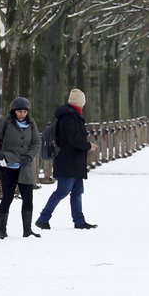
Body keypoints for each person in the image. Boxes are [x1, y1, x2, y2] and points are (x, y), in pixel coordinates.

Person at [35, 88, 98, 230]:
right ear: (80, 102)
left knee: (77, 191)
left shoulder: (71, 116)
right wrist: (88, 145)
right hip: (68, 161)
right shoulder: (70, 118)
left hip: (73, 161)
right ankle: (43, 218)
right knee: (63, 191)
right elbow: (74, 139)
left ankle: (79, 221)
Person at [0, 96, 42, 239]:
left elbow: (36, 142)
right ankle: (2, 230)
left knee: (28, 198)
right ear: (14, 111)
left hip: (25, 166)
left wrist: (29, 156)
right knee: (7, 197)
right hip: (7, 165)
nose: (22, 114)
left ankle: (27, 230)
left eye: (24, 112)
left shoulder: (31, 123)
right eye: (19, 111)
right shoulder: (5, 122)